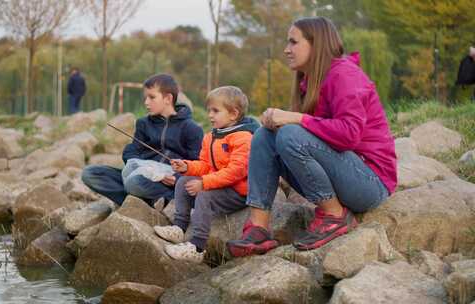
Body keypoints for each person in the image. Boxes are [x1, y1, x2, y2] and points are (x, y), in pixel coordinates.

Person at [227, 17, 397, 256]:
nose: (286, 50)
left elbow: (349, 135)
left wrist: (296, 118)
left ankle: (335, 215)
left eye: (293, 42)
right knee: (265, 135)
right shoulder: (309, 80)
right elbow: (314, 135)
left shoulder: (345, 75)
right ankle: (259, 227)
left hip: (369, 182)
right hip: (342, 176)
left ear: (316, 45)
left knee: (290, 134)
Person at [153, 86, 259, 263]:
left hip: (238, 192)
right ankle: (179, 227)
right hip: (219, 184)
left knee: (204, 195)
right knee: (183, 181)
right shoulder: (211, 137)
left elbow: (236, 172)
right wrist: (186, 167)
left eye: (215, 111)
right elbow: (205, 165)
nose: (210, 115)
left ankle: (197, 247)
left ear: (233, 114)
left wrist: (205, 183)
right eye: (209, 110)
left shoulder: (243, 137)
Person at [81, 73, 204, 206]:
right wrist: (140, 165)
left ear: (168, 98)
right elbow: (132, 151)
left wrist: (176, 179)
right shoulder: (143, 123)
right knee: (90, 173)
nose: (146, 102)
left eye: (152, 97)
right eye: (145, 97)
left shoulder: (192, 128)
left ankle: (162, 200)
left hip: (168, 183)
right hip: (142, 176)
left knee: (134, 183)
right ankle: (144, 201)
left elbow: (198, 165)